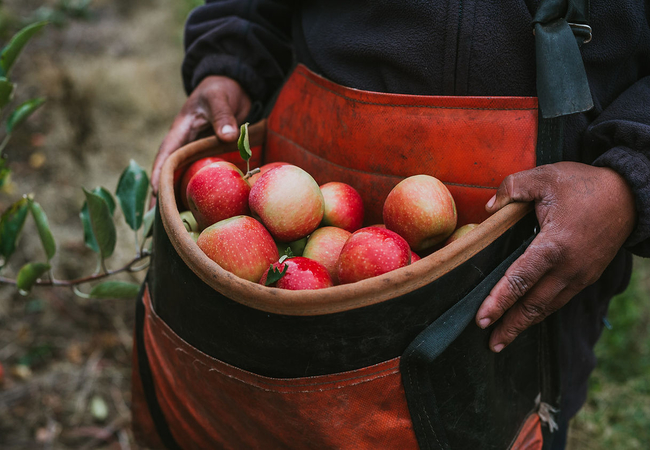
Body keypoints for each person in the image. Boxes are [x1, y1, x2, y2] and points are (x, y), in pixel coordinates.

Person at [151, 0, 650, 446]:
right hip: (311, 171)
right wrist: (231, 54)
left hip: (536, 232)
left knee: (501, 411)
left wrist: (630, 178)